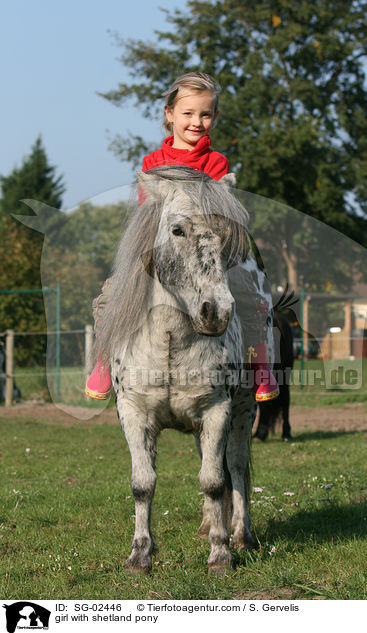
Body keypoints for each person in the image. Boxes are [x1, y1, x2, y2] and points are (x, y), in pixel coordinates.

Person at [85, 72, 279, 402]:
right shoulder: (153, 163)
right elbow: (147, 214)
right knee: (110, 293)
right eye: (188, 113)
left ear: (214, 117)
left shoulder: (217, 163)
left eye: (205, 114)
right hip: (162, 247)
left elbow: (220, 213)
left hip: (206, 250)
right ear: (169, 114)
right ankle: (104, 360)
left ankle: (261, 365)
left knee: (251, 293)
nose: (196, 122)